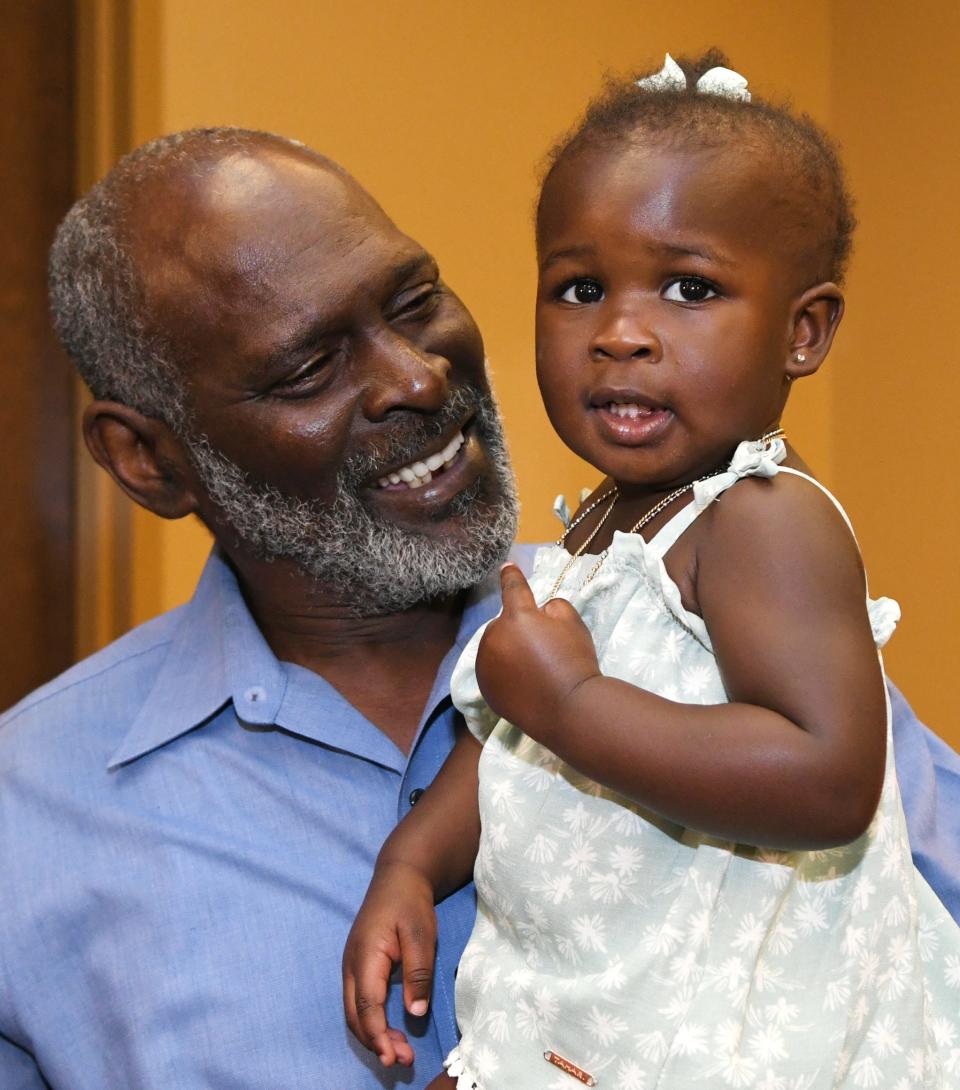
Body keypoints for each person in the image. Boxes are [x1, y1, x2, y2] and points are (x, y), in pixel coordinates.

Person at [0, 125, 954, 1090]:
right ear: (148, 461)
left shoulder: (710, 626)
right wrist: (411, 866)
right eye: (308, 369)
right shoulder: (28, 827)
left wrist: (572, 703)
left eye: (415, 302)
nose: (417, 377)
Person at [343, 54, 960, 1089]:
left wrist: (574, 696)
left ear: (802, 332)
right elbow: (517, 737)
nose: (622, 334)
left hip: (739, 1021)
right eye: (580, 288)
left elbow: (830, 776)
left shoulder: (764, 518)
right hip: (604, 998)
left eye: (690, 288)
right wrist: (410, 862)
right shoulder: (606, 519)